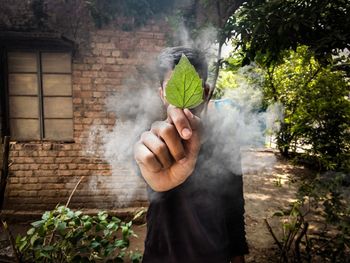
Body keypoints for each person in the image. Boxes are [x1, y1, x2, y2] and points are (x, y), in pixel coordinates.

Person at [133, 46, 248, 263]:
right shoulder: (154, 138)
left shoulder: (225, 143)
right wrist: (153, 172)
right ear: (161, 94)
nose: (183, 103)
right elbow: (143, 163)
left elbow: (234, 206)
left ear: (205, 93)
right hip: (161, 256)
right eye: (172, 87)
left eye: (193, 87)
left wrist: (238, 257)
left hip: (214, 255)